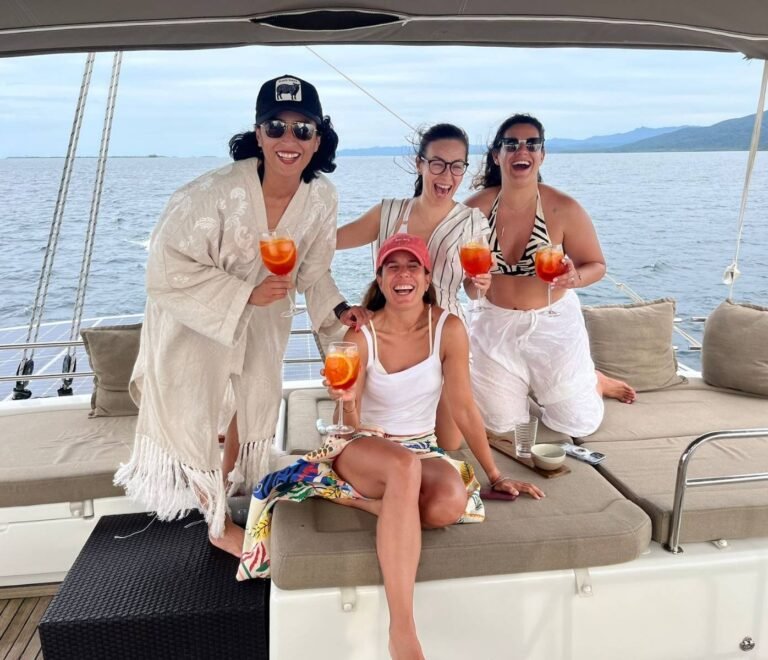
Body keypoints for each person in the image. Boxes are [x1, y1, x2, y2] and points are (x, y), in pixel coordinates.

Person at [237, 234, 544, 660]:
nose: (403, 274)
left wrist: (495, 474)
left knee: (449, 504)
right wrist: (345, 401)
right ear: (380, 280)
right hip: (362, 443)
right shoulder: (361, 336)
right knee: (402, 468)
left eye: (412, 266)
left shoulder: (448, 328)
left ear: (426, 276)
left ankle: (361, 502)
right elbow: (350, 421)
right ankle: (403, 631)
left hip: (421, 446)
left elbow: (464, 407)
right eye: (392, 267)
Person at [115, 74, 368, 558]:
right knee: (196, 408)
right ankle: (214, 525)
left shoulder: (321, 199)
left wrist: (341, 314)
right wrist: (243, 294)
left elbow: (314, 273)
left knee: (252, 403)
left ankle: (233, 489)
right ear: (258, 133)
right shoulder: (207, 195)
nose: (288, 140)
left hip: (264, 320)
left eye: (302, 129)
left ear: (319, 138)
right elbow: (164, 270)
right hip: (196, 321)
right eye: (276, 127)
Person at [465, 113, 635, 440]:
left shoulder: (563, 207)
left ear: (542, 155)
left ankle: (593, 381)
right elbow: (468, 288)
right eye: (511, 144)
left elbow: (595, 264)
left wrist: (576, 278)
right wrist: (474, 285)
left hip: (552, 323)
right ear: (496, 154)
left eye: (532, 144)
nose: (521, 150)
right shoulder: (475, 210)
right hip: (493, 323)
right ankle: (525, 384)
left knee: (577, 424)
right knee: (500, 426)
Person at [336, 123, 491, 449]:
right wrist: (338, 305)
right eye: (437, 163)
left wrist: (481, 284)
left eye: (457, 166)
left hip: (445, 336)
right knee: (370, 436)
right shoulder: (388, 213)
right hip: (388, 330)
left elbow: (474, 291)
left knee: (450, 442)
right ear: (420, 163)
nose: (446, 175)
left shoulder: (472, 222)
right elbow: (327, 243)